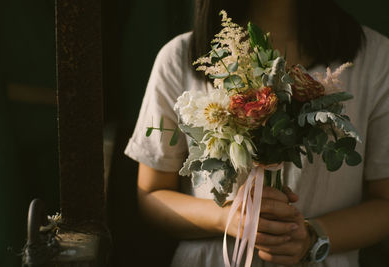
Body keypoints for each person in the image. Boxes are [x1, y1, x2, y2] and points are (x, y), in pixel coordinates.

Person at [125, 0, 389, 266]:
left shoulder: (375, 59)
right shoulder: (179, 58)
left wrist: (311, 236)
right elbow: (152, 194)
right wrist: (229, 218)